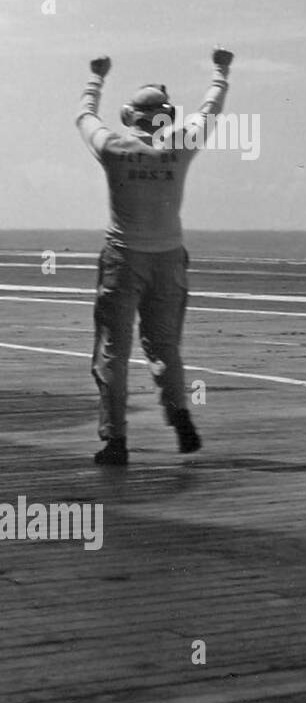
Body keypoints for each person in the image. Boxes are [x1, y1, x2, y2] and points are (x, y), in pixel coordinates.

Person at [76, 49, 233, 465]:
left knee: (113, 350)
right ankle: (179, 413)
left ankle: (116, 441)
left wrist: (97, 79)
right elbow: (210, 109)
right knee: (166, 347)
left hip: (123, 259)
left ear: (130, 115)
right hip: (168, 259)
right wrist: (221, 70)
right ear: (166, 116)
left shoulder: (114, 147)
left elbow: (85, 118)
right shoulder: (180, 147)